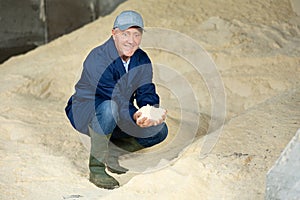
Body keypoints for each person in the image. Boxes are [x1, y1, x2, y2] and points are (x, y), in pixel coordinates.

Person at [65, 10, 168, 189]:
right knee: (109, 107)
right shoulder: (98, 57)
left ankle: (112, 152)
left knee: (159, 130)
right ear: (114, 33)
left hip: (119, 111)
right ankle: (96, 169)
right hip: (87, 110)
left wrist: (149, 111)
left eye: (136, 34)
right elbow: (112, 96)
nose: (131, 40)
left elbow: (145, 90)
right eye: (125, 33)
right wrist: (134, 115)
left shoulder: (141, 58)